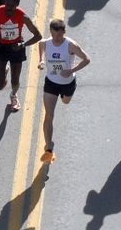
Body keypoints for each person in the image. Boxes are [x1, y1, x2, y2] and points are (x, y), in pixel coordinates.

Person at [38, 19, 91, 163]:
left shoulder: (71, 45)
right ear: (51, 32)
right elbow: (40, 47)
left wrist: (71, 70)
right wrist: (41, 60)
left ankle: (64, 96)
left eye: (59, 36)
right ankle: (49, 148)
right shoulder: (45, 43)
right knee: (49, 114)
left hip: (67, 83)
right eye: (54, 35)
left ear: (64, 33)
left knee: (65, 101)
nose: (56, 39)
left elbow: (87, 59)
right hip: (51, 83)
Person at [0, 0, 43, 112]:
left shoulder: (23, 17)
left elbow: (38, 36)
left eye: (11, 6)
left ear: (17, 5)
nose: (8, 8)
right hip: (1, 47)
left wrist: (23, 44)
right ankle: (4, 71)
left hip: (16, 48)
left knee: (15, 80)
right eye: (6, 4)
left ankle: (13, 95)